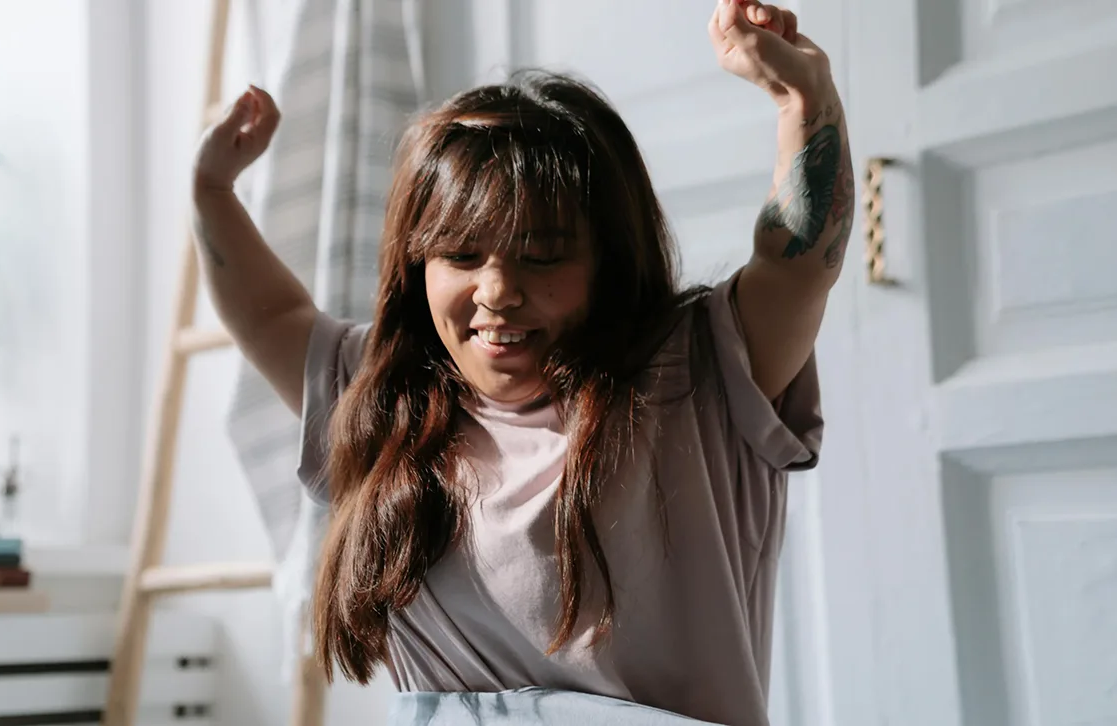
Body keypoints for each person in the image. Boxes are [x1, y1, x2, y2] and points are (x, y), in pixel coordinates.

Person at [192, 0, 850, 723]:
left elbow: (797, 264)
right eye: (462, 255)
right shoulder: (385, 393)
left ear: (609, 258)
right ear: (419, 266)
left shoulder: (697, 372)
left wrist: (802, 96)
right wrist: (212, 191)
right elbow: (270, 316)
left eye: (543, 255)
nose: (498, 292)